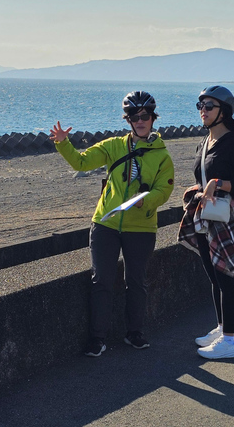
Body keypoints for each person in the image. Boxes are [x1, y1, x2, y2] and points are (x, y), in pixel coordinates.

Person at [49, 91, 175, 357]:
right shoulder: (113, 146)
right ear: (128, 120)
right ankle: (97, 338)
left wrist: (146, 200)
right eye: (134, 117)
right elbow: (81, 163)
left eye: (145, 116)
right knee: (101, 281)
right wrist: (63, 143)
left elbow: (164, 189)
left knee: (136, 282)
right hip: (106, 224)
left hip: (141, 227)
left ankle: (135, 333)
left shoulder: (162, 155)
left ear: (153, 118)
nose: (140, 121)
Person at [177, 85, 234, 359]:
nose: (203, 111)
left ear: (223, 111)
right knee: (213, 276)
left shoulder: (232, 143)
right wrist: (200, 188)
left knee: (226, 278)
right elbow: (204, 177)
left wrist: (219, 183)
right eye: (200, 106)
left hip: (224, 217)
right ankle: (222, 327)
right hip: (204, 215)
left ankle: (229, 340)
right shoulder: (205, 143)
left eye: (209, 106)